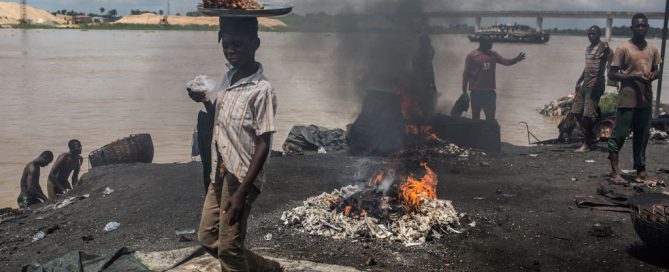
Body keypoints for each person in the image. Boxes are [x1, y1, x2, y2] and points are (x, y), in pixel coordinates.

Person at [188, 17, 281, 271]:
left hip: (241, 176)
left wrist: (242, 192)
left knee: (229, 249)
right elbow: (222, 118)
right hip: (221, 169)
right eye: (226, 45)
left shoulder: (262, 90)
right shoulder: (229, 77)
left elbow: (264, 143)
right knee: (207, 237)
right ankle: (266, 268)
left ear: (255, 44)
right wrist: (204, 101)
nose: (231, 51)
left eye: (237, 45)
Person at [607, 13, 661, 185]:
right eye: (637, 26)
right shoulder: (623, 48)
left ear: (647, 27)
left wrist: (653, 75)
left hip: (645, 98)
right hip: (628, 97)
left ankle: (641, 171)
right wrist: (633, 76)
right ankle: (615, 173)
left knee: (642, 135)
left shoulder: (652, 49)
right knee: (620, 134)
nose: (641, 28)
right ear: (631, 28)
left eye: (643, 26)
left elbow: (657, 70)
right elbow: (612, 73)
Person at [462, 34, 526, 121]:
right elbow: (466, 74)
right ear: (482, 43)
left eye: (491, 41)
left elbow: (506, 62)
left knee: (490, 120)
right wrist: (464, 92)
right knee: (475, 120)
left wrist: (516, 59)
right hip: (476, 93)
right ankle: (477, 134)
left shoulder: (493, 55)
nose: (491, 44)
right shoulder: (471, 56)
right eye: (489, 42)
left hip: (490, 93)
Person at [571, 25, 612, 152]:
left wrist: (605, 48)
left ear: (599, 35)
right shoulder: (588, 49)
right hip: (586, 83)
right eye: (589, 34)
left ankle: (587, 143)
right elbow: (587, 67)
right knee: (576, 112)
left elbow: (606, 50)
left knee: (587, 116)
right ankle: (591, 135)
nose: (591, 36)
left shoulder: (602, 47)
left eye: (593, 34)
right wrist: (579, 81)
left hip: (596, 84)